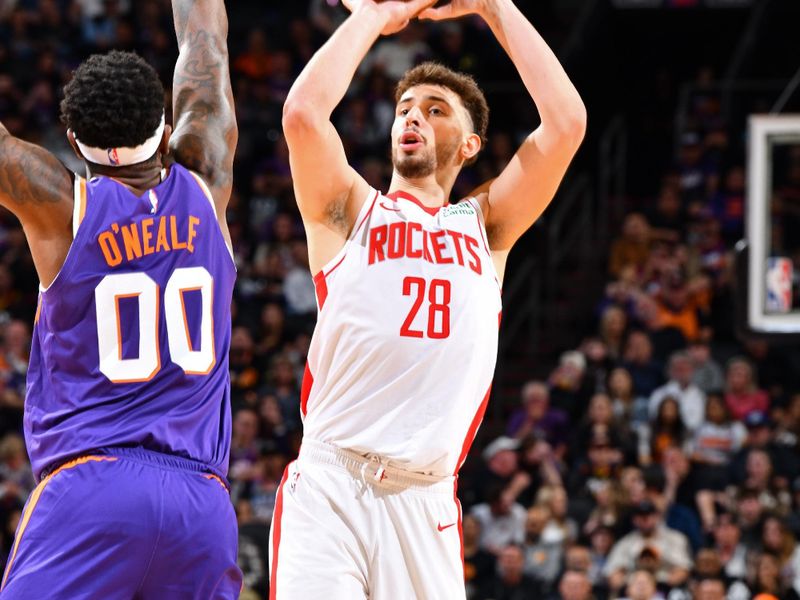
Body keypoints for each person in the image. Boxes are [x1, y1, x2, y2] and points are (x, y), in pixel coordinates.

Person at [270, 0, 586, 596]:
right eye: (405, 108)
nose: (412, 117)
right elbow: (304, 115)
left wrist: (495, 7)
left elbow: (567, 123)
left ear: (469, 145)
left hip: (426, 499)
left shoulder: (485, 225)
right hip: (332, 483)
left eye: (435, 111)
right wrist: (376, 14)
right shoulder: (350, 209)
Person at [0, 0, 241, 596]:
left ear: (74, 139)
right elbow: (204, 46)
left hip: (91, 490)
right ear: (164, 126)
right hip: (202, 506)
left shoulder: (62, 205)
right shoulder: (208, 183)